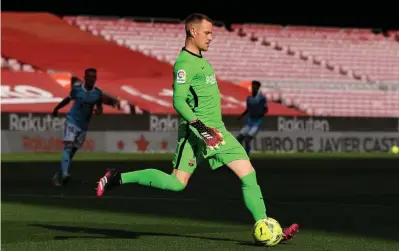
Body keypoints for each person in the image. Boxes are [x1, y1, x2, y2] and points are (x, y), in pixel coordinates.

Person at [95, 13, 299, 241]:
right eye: (208, 33)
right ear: (193, 32)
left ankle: (268, 228)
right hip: (196, 134)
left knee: (248, 175)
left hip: (218, 132)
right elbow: (178, 101)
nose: (211, 37)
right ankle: (117, 178)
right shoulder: (184, 64)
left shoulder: (201, 59)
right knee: (176, 183)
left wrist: (211, 129)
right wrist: (202, 128)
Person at [52, 68, 103, 186]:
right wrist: (57, 108)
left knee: (71, 153)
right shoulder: (77, 90)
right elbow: (67, 100)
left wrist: (99, 111)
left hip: (83, 126)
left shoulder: (97, 93)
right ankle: (65, 174)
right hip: (72, 121)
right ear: (85, 78)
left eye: (94, 77)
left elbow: (99, 107)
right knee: (68, 148)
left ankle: (57, 176)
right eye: (89, 76)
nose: (92, 79)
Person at [236, 80, 268, 155]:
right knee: (239, 138)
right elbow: (248, 109)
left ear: (258, 88)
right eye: (252, 86)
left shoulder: (261, 98)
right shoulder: (249, 98)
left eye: (255, 86)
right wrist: (242, 115)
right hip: (249, 122)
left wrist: (261, 114)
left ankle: (246, 154)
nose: (253, 88)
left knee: (247, 139)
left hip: (257, 123)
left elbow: (266, 109)